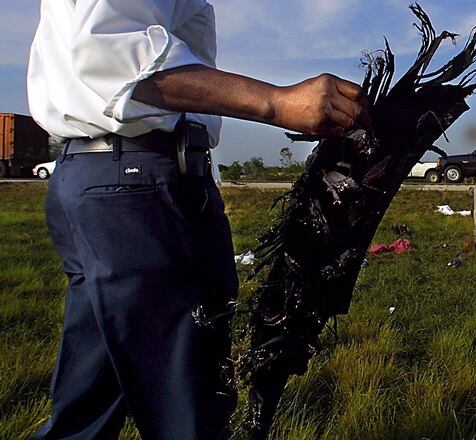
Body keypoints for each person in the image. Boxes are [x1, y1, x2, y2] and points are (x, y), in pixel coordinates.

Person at [27, 1, 370, 438]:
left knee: (96, 387)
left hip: (102, 176)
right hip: (137, 183)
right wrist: (276, 102)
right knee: (188, 393)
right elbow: (110, 51)